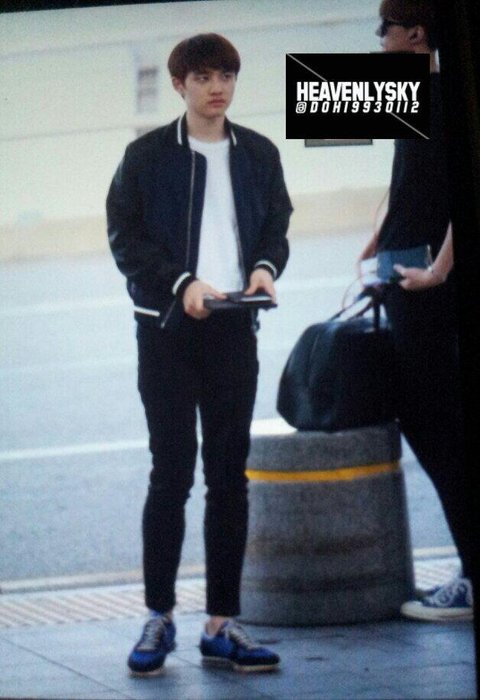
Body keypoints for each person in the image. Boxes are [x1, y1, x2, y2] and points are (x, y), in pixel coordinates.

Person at [106, 33, 292, 675]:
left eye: (227, 76)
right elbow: (125, 237)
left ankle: (221, 623)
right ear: (180, 84)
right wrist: (181, 284)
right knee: (171, 473)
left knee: (228, 476)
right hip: (165, 329)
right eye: (205, 77)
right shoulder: (146, 156)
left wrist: (265, 269)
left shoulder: (259, 153)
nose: (218, 88)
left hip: (234, 326)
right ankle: (158, 617)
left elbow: (275, 225)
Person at [358, 0, 473, 622]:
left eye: (386, 30)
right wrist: (378, 237)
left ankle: (472, 575)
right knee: (428, 420)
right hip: (405, 275)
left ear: (417, 34)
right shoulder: (410, 98)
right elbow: (412, 180)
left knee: (434, 423)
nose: (379, 41)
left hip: (427, 286)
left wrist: (439, 270)